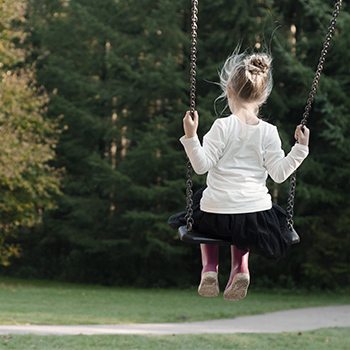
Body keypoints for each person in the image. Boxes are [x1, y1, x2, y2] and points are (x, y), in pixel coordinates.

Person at [170, 50, 310, 301]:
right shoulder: (269, 132)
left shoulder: (221, 126)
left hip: (216, 214)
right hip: (254, 216)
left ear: (228, 91)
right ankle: (241, 268)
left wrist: (191, 136)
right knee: (244, 220)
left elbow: (201, 166)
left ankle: (209, 268)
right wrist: (300, 148)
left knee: (203, 203)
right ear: (263, 96)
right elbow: (279, 174)